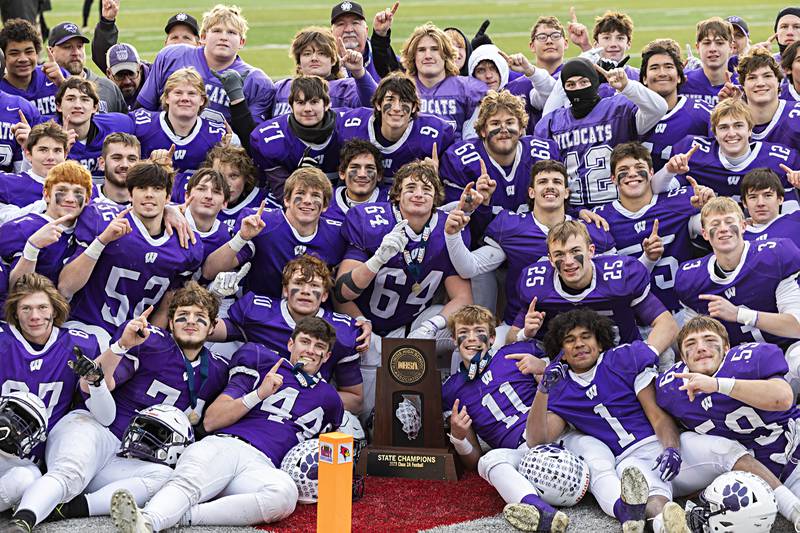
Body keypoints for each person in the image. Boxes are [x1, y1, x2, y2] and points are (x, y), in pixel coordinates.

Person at [8, 282, 230, 530]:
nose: (191, 322)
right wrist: (122, 346)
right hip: (96, 427)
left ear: (212, 327)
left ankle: (70, 509)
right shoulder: (150, 341)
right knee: (69, 472)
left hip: (131, 456)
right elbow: (106, 382)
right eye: (182, 316)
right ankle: (23, 521)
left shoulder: (218, 369)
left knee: (164, 477)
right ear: (169, 322)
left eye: (200, 317)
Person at [108, 317, 343, 531]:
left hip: (264, 465)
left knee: (284, 495)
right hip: (226, 445)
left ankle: (185, 516)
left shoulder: (331, 399)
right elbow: (211, 421)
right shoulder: (263, 363)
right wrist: (259, 394)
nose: (310, 351)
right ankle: (148, 522)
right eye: (305, 342)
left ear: (328, 355)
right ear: (291, 344)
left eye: (319, 346)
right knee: (189, 483)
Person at [527, 308, 689, 533]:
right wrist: (542, 390)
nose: (579, 344)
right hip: (629, 458)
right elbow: (537, 441)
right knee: (651, 498)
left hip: (668, 443)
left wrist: (671, 448)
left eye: (586, 337)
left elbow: (658, 416)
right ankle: (666, 526)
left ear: (600, 342)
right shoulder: (560, 388)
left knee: (729, 452)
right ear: (561, 352)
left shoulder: (623, 358)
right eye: (570, 340)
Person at [335, 159, 472, 421]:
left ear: (437, 198)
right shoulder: (370, 221)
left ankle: (448, 411)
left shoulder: (448, 228)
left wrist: (430, 326)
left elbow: (463, 299)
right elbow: (341, 293)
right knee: (366, 408)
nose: (419, 194)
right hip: (364, 323)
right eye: (411, 188)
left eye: (426, 189)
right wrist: (377, 260)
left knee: (463, 328)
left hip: (412, 323)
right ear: (397, 194)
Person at [445, 160, 615, 348]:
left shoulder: (591, 230)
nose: (550, 186)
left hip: (580, 330)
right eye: (543, 181)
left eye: (557, 182)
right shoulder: (511, 227)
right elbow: (469, 268)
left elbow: (614, 280)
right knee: (478, 351)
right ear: (531, 192)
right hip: (520, 327)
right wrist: (452, 235)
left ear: (566, 192)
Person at [657, 316, 800, 527]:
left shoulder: (750, 358)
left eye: (709, 340)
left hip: (791, 452)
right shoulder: (670, 387)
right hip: (744, 473)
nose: (701, 348)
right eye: (690, 343)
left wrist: (717, 385)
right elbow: (665, 421)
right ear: (682, 359)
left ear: (726, 347)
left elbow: (783, 398)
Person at [0, 273, 113, 532]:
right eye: (26, 308)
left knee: (26, 480)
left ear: (55, 309)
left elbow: (106, 418)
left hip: (33, 457)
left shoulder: (79, 343)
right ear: (15, 313)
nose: (35, 316)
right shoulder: (3, 341)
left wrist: (95, 382)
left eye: (42, 307)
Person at [442, 305, 568, 532]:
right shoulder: (451, 390)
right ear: (453, 339)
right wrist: (459, 439)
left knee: (596, 452)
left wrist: (544, 365)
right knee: (488, 462)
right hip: (522, 454)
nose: (471, 338)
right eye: (464, 332)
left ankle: (633, 507)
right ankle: (541, 513)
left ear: (492, 337)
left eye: (478, 331)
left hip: (555, 433)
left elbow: (573, 368)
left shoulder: (514, 352)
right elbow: (473, 462)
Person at [58, 161, 204, 345]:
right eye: (142, 188)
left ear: (168, 197)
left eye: (157, 188)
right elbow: (65, 287)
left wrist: (147, 341)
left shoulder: (186, 243)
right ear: (129, 193)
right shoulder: (102, 219)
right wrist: (102, 241)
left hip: (134, 334)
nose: (149, 194)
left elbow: (167, 303)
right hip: (87, 325)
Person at [209, 255, 364, 413]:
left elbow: (355, 399)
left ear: (324, 295)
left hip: (307, 412)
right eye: (298, 283)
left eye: (314, 286)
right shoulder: (259, 311)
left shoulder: (342, 331)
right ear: (285, 290)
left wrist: (305, 398)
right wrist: (214, 299)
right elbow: (208, 332)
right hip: (255, 400)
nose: (305, 291)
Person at [508, 221, 678, 365]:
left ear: (591, 251)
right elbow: (511, 339)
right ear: (550, 259)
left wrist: (641, 357)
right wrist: (525, 333)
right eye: (559, 254)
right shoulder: (538, 285)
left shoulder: (619, 276)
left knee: (663, 354)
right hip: (567, 363)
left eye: (575, 252)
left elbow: (666, 324)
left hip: (621, 357)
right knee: (516, 355)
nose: (568, 262)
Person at [593, 142, 714, 320]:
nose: (632, 174)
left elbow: (710, 226)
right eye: (624, 169)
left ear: (651, 173)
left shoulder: (679, 200)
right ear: (612, 178)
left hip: (684, 311)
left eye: (639, 167)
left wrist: (710, 206)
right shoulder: (600, 219)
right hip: (634, 318)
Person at [674, 197, 800, 365]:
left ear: (743, 226)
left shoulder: (775, 255)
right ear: (704, 233)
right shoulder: (691, 278)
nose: (723, 229)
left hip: (786, 351)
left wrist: (738, 314)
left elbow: (796, 327)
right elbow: (697, 338)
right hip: (733, 364)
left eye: (729, 221)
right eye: (715, 224)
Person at [535, 57, 667, 208]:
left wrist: (627, 86)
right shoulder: (553, 122)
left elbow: (658, 108)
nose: (578, 88)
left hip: (620, 207)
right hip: (577, 210)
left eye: (584, 82)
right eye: (571, 84)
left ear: (594, 82)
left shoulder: (617, 109)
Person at [202, 167, 344, 300]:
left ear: (325, 205)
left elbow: (339, 290)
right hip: (260, 311)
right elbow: (209, 271)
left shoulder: (335, 234)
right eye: (300, 193)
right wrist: (242, 237)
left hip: (309, 316)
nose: (307, 201)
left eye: (315, 195)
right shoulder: (264, 223)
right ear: (286, 200)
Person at [440, 89, 559, 235]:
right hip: (486, 246)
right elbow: (461, 230)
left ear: (521, 128)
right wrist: (482, 204)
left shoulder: (543, 155)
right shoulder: (460, 160)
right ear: (483, 130)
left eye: (510, 122)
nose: (503, 129)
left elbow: (561, 207)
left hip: (536, 238)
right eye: (495, 123)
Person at [137, 4, 274, 124]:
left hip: (220, 151)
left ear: (242, 42)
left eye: (231, 32)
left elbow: (253, 139)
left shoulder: (256, 81)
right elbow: (143, 110)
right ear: (203, 37)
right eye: (216, 31)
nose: (224, 37)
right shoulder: (172, 56)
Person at [659, 99, 800, 210]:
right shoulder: (694, 152)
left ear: (750, 130)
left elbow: (789, 216)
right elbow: (656, 190)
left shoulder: (781, 160)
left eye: (738, 126)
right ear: (714, 132)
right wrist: (668, 170)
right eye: (723, 127)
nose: (731, 133)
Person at [337, 72, 455, 180]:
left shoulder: (435, 133)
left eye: (404, 101)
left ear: (414, 107)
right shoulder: (352, 124)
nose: (397, 108)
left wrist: (436, 175)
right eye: (390, 99)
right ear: (378, 104)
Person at [248, 75, 342, 200]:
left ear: (327, 104)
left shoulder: (346, 126)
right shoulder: (269, 137)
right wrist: (298, 178)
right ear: (291, 106)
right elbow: (283, 194)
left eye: (314, 102)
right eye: (300, 103)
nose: (307, 109)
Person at [0, 160, 91, 286]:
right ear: (46, 195)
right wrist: (33, 246)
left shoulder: (89, 228)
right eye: (62, 190)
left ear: (87, 199)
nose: (70, 199)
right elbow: (17, 290)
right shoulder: (22, 227)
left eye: (78, 193)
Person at [397, 22, 487, 140]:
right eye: (421, 50)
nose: (428, 55)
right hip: (410, 156)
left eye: (435, 49)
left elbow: (504, 91)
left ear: (446, 54)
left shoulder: (468, 87)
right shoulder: (400, 87)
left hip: (453, 156)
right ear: (413, 56)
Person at [132, 67, 227, 173]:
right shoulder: (141, 123)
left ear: (202, 100)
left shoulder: (218, 134)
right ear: (167, 97)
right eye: (178, 93)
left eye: (192, 93)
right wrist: (147, 165)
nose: (185, 98)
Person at [639, 39, 712, 171]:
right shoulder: (629, 113)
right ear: (644, 78)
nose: (662, 73)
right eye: (654, 68)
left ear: (679, 76)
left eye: (668, 67)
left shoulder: (702, 113)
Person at [271, 26, 376, 117]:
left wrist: (359, 72)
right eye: (307, 54)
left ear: (333, 60)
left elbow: (376, 105)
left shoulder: (347, 88)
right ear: (299, 61)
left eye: (321, 53)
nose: (314, 58)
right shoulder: (281, 88)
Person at [92, 7, 201, 76]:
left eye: (186, 38)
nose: (179, 43)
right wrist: (107, 22)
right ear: (165, 44)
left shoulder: (211, 79)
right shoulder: (148, 74)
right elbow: (107, 59)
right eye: (174, 37)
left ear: (198, 45)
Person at [47, 21, 126, 113]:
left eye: (80, 46)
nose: (76, 53)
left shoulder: (108, 88)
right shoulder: (41, 90)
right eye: (67, 47)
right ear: (51, 51)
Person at [737, 48, 800, 153]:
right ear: (743, 85)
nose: (760, 83)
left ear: (778, 81)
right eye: (752, 78)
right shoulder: (730, 122)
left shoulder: (796, 116)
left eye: (767, 76)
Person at [567, 10, 640, 97]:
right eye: (606, 38)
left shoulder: (639, 76)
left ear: (628, 43)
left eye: (620, 38)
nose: (613, 44)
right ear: (596, 43)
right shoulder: (583, 79)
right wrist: (585, 46)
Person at [0, 121, 67, 214]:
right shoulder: (6, 184)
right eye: (43, 150)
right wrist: (45, 204)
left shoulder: (81, 186)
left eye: (57, 150)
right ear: (28, 154)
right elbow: (7, 222)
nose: (51, 157)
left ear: (65, 154)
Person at [0, 18, 58, 116]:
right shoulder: (2, 90)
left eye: (29, 52)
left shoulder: (56, 77)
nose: (23, 59)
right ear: (3, 57)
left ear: (37, 53)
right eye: (14, 53)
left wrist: (63, 85)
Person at [323, 139, 389, 224]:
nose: (362, 174)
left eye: (370, 168)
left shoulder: (391, 201)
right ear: (342, 173)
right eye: (354, 167)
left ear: (379, 175)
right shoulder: (326, 199)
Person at [331, 0, 393, 82]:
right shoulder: (322, 63)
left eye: (355, 23)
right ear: (331, 33)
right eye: (341, 24)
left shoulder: (384, 58)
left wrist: (380, 36)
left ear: (366, 30)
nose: (349, 30)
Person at [680, 18, 737, 106]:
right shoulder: (682, 81)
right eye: (706, 43)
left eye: (719, 43)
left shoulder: (742, 85)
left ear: (731, 47)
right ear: (698, 47)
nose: (712, 49)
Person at [741, 168, 800, 245]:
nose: (760, 203)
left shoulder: (796, 221)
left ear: (780, 199)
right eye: (753, 197)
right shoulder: (737, 234)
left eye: (768, 195)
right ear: (744, 203)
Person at [93, 132, 140, 206]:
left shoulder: (149, 202)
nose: (124, 165)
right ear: (102, 163)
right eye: (117, 158)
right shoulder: (87, 198)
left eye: (131, 159)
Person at [105, 43, 149, 111]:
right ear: (108, 74)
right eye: (120, 75)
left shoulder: (157, 85)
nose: (127, 81)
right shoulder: (102, 94)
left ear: (140, 69)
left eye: (131, 73)